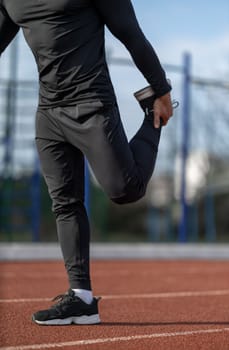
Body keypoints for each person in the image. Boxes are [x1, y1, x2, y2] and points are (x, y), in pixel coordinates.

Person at [0, 0, 175, 325]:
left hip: (91, 103)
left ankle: (152, 114)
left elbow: (130, 33)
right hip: (48, 112)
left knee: (126, 189)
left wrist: (162, 90)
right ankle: (81, 298)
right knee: (65, 204)